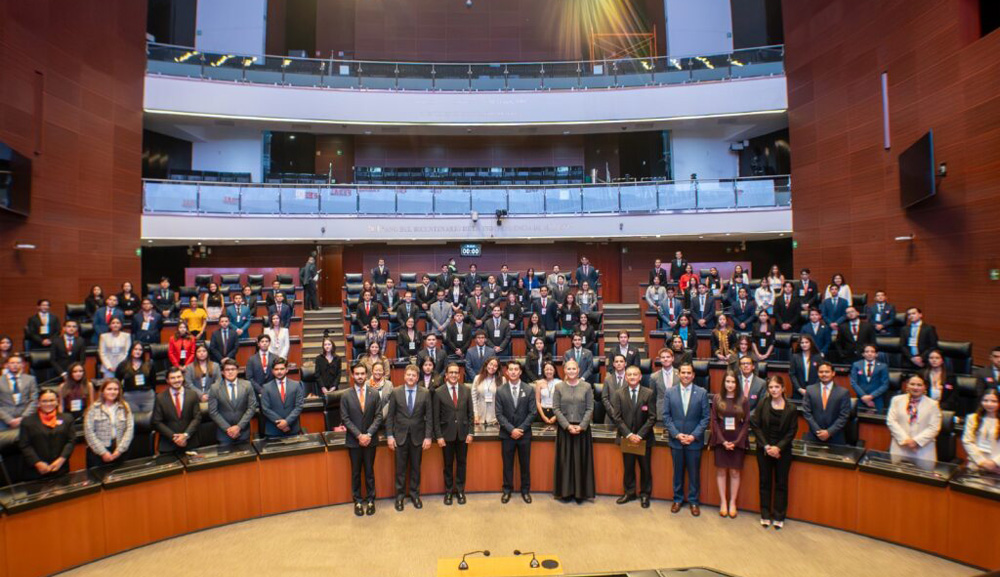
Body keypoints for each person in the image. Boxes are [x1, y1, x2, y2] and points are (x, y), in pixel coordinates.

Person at [749, 376, 798, 529]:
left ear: (783, 388)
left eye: (777, 387)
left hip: (783, 451)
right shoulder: (763, 403)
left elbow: (792, 431)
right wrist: (766, 446)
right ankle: (765, 514)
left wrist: (778, 448)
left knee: (781, 483)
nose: (774, 390)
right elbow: (755, 425)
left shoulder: (791, 407)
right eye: (771, 387)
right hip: (764, 449)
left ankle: (778, 515)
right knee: (765, 482)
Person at [663, 363, 711, 516]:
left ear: (693, 375)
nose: (685, 375)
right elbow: (666, 416)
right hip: (676, 440)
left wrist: (693, 436)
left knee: (694, 473)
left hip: (694, 441)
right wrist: (676, 434)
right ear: (678, 374)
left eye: (689, 373)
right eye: (683, 372)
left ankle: (693, 501)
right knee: (677, 472)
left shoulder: (702, 393)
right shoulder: (670, 392)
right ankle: (677, 499)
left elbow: (705, 418)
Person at [386, 364, 433, 511]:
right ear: (404, 376)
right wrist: (389, 436)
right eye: (408, 375)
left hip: (418, 437)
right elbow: (390, 416)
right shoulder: (395, 392)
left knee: (415, 469)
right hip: (400, 436)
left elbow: (429, 417)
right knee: (400, 469)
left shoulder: (425, 393)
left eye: (414, 375)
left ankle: (414, 495)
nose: (411, 377)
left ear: (417, 377)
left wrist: (428, 437)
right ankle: (399, 497)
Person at [611, 365, 656, 508]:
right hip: (627, 438)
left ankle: (645, 494)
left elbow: (652, 417)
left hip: (644, 439)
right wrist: (629, 434)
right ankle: (629, 493)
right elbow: (617, 417)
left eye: (635, 374)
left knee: (645, 468)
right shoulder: (619, 393)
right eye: (629, 374)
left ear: (640, 376)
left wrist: (640, 435)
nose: (632, 377)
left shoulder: (649, 393)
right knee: (628, 467)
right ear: (625, 377)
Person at [342, 364, 384, 516]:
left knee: (369, 471)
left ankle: (371, 500)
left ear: (366, 375)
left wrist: (369, 434)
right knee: (356, 472)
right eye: (357, 374)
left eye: (362, 373)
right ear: (352, 375)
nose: (360, 376)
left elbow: (379, 416)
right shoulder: (346, 395)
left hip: (370, 440)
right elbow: (345, 418)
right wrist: (359, 436)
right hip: (354, 441)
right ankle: (358, 501)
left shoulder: (375, 393)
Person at [552, 359, 595, 503]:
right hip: (565, 429)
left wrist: (582, 426)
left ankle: (579, 494)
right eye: (568, 369)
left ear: (578, 370)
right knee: (565, 462)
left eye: (574, 369)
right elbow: (556, 408)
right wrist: (567, 425)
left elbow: (590, 408)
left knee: (580, 462)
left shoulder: (587, 386)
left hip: (582, 430)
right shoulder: (559, 387)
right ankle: (565, 492)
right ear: (564, 370)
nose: (571, 371)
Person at [434, 362, 475, 505]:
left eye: (456, 372)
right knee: (448, 465)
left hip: (463, 434)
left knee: (462, 464)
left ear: (459, 375)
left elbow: (470, 414)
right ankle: (449, 492)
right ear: (446, 375)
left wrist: (471, 432)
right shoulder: (439, 392)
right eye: (451, 372)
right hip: (446, 435)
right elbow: (436, 417)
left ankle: (460, 491)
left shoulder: (466, 390)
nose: (453, 375)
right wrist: (439, 436)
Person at [710, 372, 750, 518]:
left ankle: (733, 502)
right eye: (728, 381)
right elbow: (714, 421)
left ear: (737, 384)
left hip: (737, 440)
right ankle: (723, 502)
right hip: (721, 439)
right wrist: (722, 441)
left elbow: (746, 423)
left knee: (734, 472)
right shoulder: (717, 398)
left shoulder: (743, 400)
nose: (730, 385)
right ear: (724, 383)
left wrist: (737, 441)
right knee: (721, 471)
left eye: (733, 382)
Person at [496, 360, 535, 503]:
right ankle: (507, 490)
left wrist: (521, 429)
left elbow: (532, 412)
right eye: (510, 369)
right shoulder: (500, 390)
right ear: (506, 372)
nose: (513, 372)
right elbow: (499, 414)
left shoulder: (529, 389)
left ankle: (525, 491)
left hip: (524, 434)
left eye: (516, 369)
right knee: (507, 465)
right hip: (507, 434)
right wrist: (511, 430)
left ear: (520, 372)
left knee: (525, 464)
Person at [18, 389, 75, 479]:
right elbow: (24, 445)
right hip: (35, 472)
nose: (48, 404)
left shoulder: (67, 418)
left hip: (61, 469)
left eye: (52, 400)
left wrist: (61, 459)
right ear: (38, 403)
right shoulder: (27, 422)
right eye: (44, 401)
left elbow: (71, 441)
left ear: (57, 402)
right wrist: (37, 463)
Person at [887, 374, 942, 462]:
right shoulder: (896, 400)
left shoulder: (933, 404)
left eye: (919, 385)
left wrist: (916, 441)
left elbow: (934, 428)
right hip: (900, 447)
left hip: (923, 451)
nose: (915, 387)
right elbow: (891, 421)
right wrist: (906, 440)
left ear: (925, 387)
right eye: (912, 384)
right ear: (907, 385)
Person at [83, 379, 134, 468]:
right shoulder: (93, 408)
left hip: (120, 450)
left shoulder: (125, 406)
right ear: (103, 391)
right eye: (109, 389)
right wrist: (103, 452)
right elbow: (89, 432)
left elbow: (130, 429)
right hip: (99, 453)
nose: (113, 392)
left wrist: (120, 450)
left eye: (116, 389)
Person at [151, 367, 202, 453]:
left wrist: (185, 435)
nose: (176, 380)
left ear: (183, 378)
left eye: (179, 377)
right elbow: (156, 422)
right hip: (168, 444)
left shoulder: (192, 394)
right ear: (167, 380)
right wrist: (174, 437)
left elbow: (197, 418)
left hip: (190, 442)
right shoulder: (160, 398)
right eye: (173, 378)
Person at [208, 358, 257, 445]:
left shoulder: (247, 385)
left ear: (237, 371)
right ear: (222, 372)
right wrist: (228, 429)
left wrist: (239, 427)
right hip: (224, 434)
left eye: (233, 369)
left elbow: (252, 407)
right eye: (227, 370)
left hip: (243, 432)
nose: (230, 372)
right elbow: (213, 411)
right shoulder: (214, 388)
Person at [802, 362, 852, 445]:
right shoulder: (810, 390)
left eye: (827, 372)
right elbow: (807, 413)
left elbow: (844, 416)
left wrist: (829, 432)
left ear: (833, 373)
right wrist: (818, 431)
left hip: (835, 437)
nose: (824, 374)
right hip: (814, 436)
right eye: (821, 372)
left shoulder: (843, 392)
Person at [260, 357, 305, 438]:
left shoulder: (296, 385)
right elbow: (265, 409)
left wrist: (287, 422)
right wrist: (282, 424)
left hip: (292, 428)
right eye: (276, 369)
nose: (279, 372)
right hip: (273, 430)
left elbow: (299, 406)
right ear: (272, 371)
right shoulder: (266, 387)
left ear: (286, 370)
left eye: (282, 369)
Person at [962, 389, 1000, 472]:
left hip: (997, 468)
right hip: (975, 465)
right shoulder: (972, 418)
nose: (989, 404)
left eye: (994, 401)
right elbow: (967, 441)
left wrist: (994, 463)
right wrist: (981, 462)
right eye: (985, 400)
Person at [116, 342, 156, 412]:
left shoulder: (149, 364)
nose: (138, 351)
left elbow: (153, 382)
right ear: (131, 350)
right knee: (132, 418)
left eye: (140, 350)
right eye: (135, 349)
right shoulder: (123, 365)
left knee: (149, 417)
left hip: (147, 397)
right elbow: (117, 382)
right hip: (130, 397)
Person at [851, 345, 890, 411]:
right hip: (861, 399)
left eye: (872, 351)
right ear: (863, 354)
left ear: (876, 354)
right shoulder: (856, 365)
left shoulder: (883, 366)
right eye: (867, 351)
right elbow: (853, 382)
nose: (869, 353)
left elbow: (885, 385)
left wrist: (871, 396)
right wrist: (864, 396)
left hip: (877, 399)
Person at [650, 348, 679, 425]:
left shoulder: (680, 374)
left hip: (678, 413)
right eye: (663, 357)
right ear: (660, 360)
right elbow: (652, 398)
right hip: (660, 413)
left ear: (673, 358)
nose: (665, 359)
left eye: (668, 357)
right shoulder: (654, 377)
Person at [790, 334, 821, 400]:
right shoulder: (795, 357)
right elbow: (792, 374)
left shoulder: (818, 357)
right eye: (802, 343)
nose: (804, 344)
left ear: (811, 343)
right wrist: (799, 388)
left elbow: (820, 374)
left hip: (814, 390)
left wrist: (813, 389)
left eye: (806, 342)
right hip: (798, 391)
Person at [471, 357, 501, 426]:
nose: (492, 367)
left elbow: (503, 402)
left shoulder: (502, 380)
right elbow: (474, 399)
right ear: (486, 365)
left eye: (495, 366)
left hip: (495, 419)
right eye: (491, 364)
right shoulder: (477, 378)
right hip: (479, 417)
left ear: (498, 368)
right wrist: (475, 415)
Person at [602, 354, 628, 425]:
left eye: (621, 361)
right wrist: (614, 414)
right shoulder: (607, 379)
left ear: (625, 363)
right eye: (616, 361)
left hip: (627, 418)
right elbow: (604, 398)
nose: (619, 363)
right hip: (610, 418)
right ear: (613, 364)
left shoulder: (630, 379)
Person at [535, 361, 562, 426]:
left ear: (554, 371)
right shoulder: (539, 383)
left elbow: (562, 402)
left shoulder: (559, 382)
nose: (549, 371)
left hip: (556, 412)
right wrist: (543, 416)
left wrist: (556, 416)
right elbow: (537, 401)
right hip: (542, 412)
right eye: (547, 369)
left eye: (551, 369)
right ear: (543, 371)